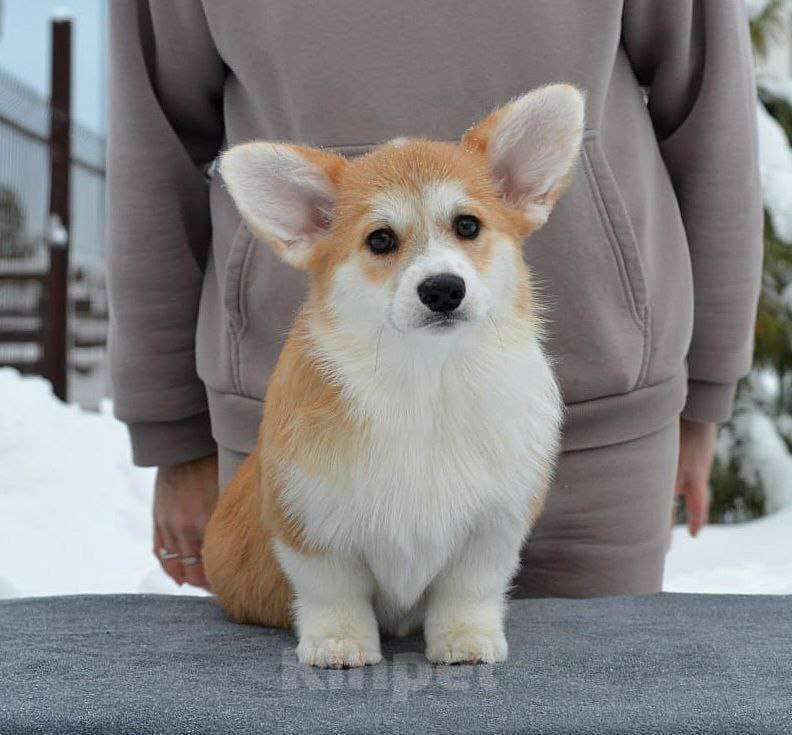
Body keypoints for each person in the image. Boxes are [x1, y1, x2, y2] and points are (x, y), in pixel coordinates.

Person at [107, 1, 763, 595]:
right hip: (308, 435)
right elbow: (152, 144)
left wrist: (705, 394)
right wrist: (174, 431)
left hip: (595, 437)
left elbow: (712, 117)